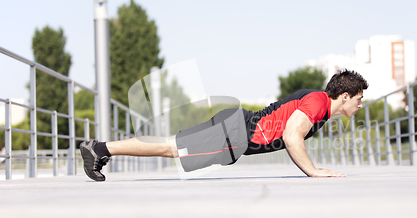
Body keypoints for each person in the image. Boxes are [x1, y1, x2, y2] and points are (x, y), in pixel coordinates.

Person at [80, 69, 368, 181]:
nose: (360, 104)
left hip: (236, 131)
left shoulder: (318, 104)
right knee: (171, 147)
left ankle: (102, 148)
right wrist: (314, 172)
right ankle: (100, 148)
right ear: (344, 96)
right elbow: (293, 137)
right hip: (236, 132)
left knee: (171, 146)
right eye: (359, 98)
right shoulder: (317, 103)